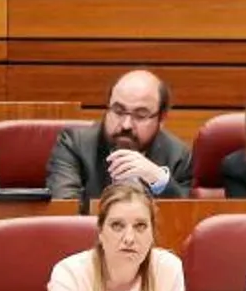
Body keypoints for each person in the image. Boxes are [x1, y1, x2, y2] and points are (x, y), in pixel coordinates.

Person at [46, 69, 194, 200]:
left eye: (140, 115)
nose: (126, 125)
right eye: (118, 111)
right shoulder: (74, 145)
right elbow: (65, 210)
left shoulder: (178, 156)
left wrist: (158, 180)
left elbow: (186, 218)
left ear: (161, 119)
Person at [47, 183, 185, 291]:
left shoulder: (168, 269)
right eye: (117, 226)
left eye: (140, 226)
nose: (129, 238)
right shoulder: (70, 274)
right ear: (100, 232)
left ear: (152, 234)